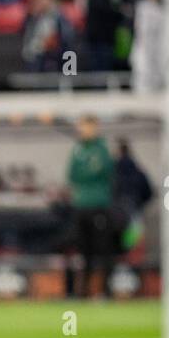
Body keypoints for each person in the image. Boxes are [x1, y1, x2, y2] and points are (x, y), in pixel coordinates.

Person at [66, 114, 115, 298]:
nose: (83, 130)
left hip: (99, 205)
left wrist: (86, 175)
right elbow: (72, 174)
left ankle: (105, 291)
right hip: (81, 205)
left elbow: (101, 172)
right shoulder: (78, 148)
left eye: (87, 126)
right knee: (82, 250)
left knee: (102, 249)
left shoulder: (101, 149)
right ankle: (83, 292)